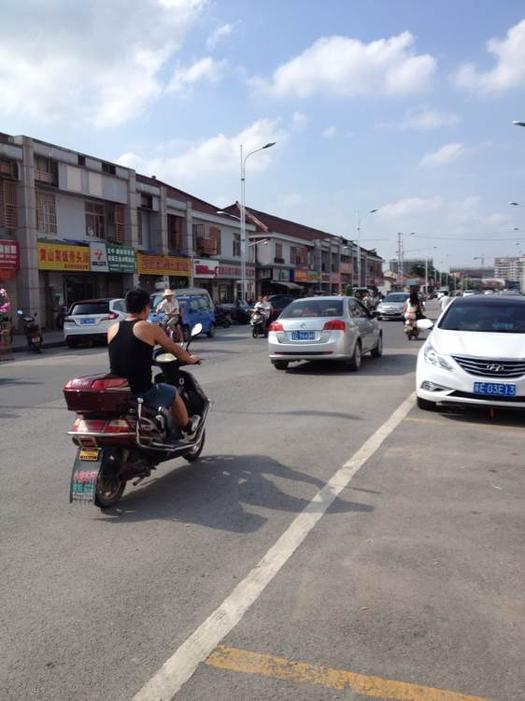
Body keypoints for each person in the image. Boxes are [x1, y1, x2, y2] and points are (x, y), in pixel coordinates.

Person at [108, 287, 201, 439]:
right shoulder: (148, 328)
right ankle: (188, 428)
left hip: (119, 391)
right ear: (146, 307)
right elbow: (175, 350)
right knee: (173, 393)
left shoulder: (112, 328)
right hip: (141, 391)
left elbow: (127, 352)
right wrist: (190, 359)